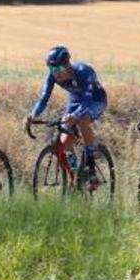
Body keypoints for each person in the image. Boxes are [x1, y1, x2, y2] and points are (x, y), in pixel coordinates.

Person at [24, 45, 108, 190]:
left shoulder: (84, 72)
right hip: (75, 101)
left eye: (57, 69)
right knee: (64, 142)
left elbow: (87, 103)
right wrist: (33, 115)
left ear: (67, 65)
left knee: (82, 120)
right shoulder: (53, 76)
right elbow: (44, 98)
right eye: (52, 70)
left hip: (95, 100)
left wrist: (74, 116)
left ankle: (92, 169)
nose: (55, 74)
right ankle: (75, 177)